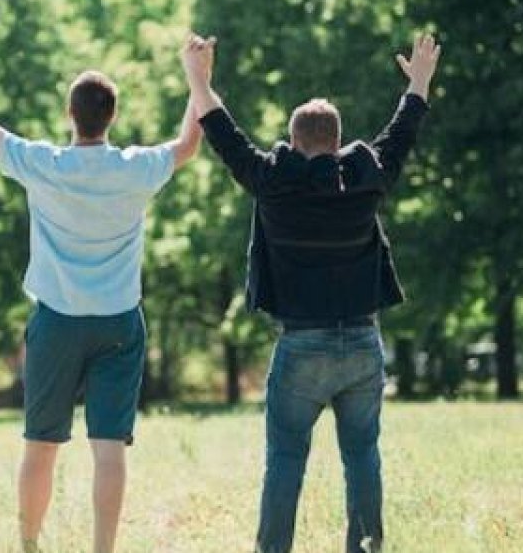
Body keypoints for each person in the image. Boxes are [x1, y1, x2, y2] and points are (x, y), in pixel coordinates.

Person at [0, 42, 207, 553]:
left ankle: (29, 543)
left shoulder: (43, 164)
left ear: (70, 114)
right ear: (111, 117)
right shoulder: (135, 168)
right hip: (119, 323)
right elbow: (188, 145)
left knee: (41, 444)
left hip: (57, 324)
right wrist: (199, 79)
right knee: (109, 447)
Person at [190, 34, 443, 553]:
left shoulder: (270, 181)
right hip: (362, 345)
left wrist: (199, 78)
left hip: (301, 346)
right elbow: (401, 134)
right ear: (337, 139)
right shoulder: (368, 182)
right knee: (363, 457)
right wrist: (419, 80)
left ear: (293, 138)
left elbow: (223, 134)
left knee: (285, 460)